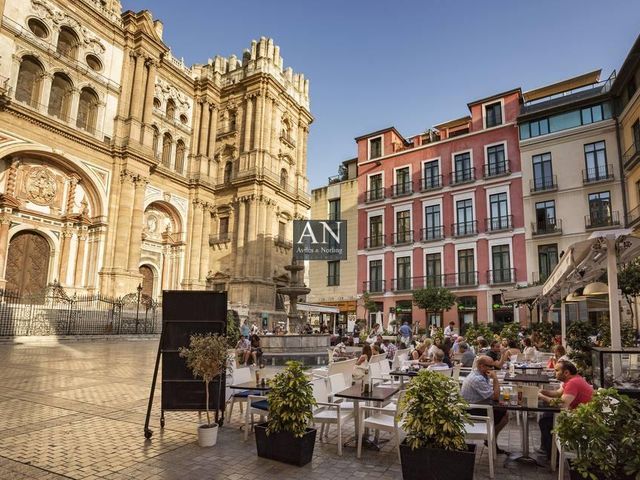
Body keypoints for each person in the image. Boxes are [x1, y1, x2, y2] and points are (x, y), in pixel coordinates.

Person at [537, 360, 594, 458]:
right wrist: (543, 391)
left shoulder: (573, 383)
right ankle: (547, 450)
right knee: (546, 416)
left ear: (566, 372)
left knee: (545, 420)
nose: (554, 372)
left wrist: (541, 397)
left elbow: (561, 404)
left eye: (557, 370)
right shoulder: (573, 379)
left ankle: (553, 456)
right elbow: (558, 393)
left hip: (582, 420)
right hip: (580, 414)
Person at [460, 355, 510, 455]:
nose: (492, 369)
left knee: (503, 411)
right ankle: (491, 440)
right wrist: (495, 378)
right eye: (490, 366)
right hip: (469, 411)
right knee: (504, 414)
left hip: (476, 405)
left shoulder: (481, 374)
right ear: (481, 366)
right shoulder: (477, 379)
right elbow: (495, 396)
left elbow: (491, 394)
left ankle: (491, 440)